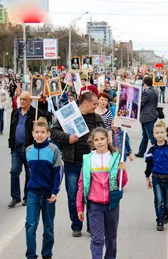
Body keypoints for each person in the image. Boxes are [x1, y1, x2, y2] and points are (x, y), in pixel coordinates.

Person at [51, 92, 105, 237]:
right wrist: (67, 138)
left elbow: (104, 136)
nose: (96, 106)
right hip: (72, 162)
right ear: (85, 102)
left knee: (92, 195)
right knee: (73, 194)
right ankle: (76, 225)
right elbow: (53, 132)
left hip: (91, 163)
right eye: (94, 103)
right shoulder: (69, 113)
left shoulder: (96, 118)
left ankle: (91, 225)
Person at [77, 127, 127, 259]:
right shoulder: (88, 159)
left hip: (112, 204)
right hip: (95, 205)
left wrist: (123, 171)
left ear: (108, 139)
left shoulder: (115, 157)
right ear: (92, 142)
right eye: (96, 139)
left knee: (111, 238)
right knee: (97, 239)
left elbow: (122, 182)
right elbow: (82, 184)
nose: (99, 142)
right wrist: (80, 207)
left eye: (102, 139)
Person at [25, 117, 63, 259]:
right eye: (37, 132)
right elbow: (29, 172)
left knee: (48, 227)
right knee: (31, 225)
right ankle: (31, 255)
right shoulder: (28, 150)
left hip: (48, 194)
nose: (39, 134)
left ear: (48, 133)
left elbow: (58, 173)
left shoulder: (53, 150)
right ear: (33, 133)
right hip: (33, 193)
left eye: (42, 132)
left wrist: (54, 191)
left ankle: (47, 254)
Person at [8, 91, 49, 208]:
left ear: (30, 101)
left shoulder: (35, 113)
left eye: (24, 99)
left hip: (29, 147)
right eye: (20, 99)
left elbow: (47, 121)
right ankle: (15, 197)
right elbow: (12, 129)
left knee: (29, 173)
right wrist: (11, 143)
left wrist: (38, 123)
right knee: (14, 171)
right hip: (16, 147)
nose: (21, 101)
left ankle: (27, 196)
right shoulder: (15, 112)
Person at [134, 77, 158, 158]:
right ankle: (141, 152)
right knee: (145, 135)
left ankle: (159, 150)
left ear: (145, 83)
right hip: (152, 115)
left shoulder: (147, 92)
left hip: (147, 116)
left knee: (150, 135)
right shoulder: (154, 90)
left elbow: (141, 104)